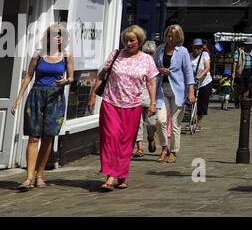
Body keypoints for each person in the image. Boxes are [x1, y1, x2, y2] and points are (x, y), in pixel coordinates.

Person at [87, 25, 158, 191]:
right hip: (111, 102)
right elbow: (102, 74)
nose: (128, 43)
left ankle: (121, 175)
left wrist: (153, 103)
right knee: (111, 138)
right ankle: (111, 176)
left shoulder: (147, 59)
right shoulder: (116, 54)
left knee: (126, 142)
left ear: (139, 41)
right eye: (126, 40)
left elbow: (151, 82)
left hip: (133, 105)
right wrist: (92, 95)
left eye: (132, 40)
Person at [9, 24, 73, 189]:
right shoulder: (38, 54)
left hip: (55, 98)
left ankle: (40, 175)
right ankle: (29, 177)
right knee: (33, 137)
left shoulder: (66, 55)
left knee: (48, 137)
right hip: (37, 95)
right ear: (48, 36)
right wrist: (18, 98)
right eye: (54, 34)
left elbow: (71, 77)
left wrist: (65, 81)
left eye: (60, 35)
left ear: (64, 38)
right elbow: (28, 75)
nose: (57, 37)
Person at [153, 24, 196, 163]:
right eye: (167, 35)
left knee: (176, 123)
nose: (169, 38)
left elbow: (189, 74)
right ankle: (164, 147)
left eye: (172, 36)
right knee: (160, 121)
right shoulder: (159, 49)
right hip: (161, 89)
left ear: (178, 38)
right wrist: (160, 70)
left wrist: (191, 92)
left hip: (178, 90)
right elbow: (152, 69)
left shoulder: (182, 52)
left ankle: (173, 151)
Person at [135, 40, 158, 157]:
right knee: (137, 124)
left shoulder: (157, 67)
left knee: (151, 124)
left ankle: (150, 138)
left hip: (150, 101)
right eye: (146, 52)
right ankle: (139, 148)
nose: (149, 55)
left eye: (151, 53)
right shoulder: (138, 65)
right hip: (138, 99)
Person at [190, 38, 212, 132]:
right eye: (195, 48)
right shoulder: (189, 56)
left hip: (205, 82)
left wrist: (200, 75)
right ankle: (190, 120)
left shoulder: (205, 55)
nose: (196, 50)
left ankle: (198, 123)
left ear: (201, 48)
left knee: (202, 103)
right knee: (190, 102)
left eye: (198, 48)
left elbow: (207, 67)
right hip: (192, 82)